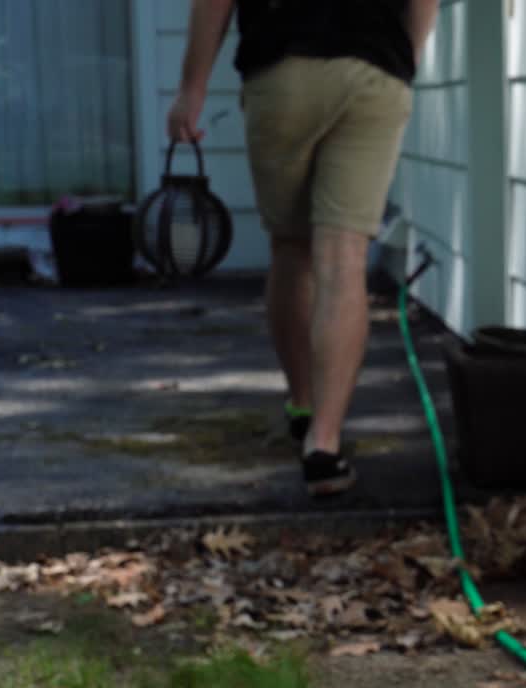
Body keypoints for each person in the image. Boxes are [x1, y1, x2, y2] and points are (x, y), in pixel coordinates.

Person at [167, 0, 439, 496]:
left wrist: (192, 89)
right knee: (344, 261)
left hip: (283, 69)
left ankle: (303, 404)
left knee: (293, 251)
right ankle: (324, 445)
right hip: (375, 70)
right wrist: (406, 60)